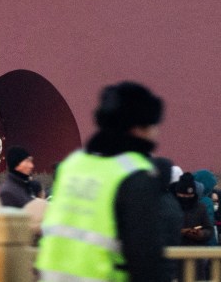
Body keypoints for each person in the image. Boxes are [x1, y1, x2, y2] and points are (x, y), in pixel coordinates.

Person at [36, 81, 168, 282]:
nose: (156, 131)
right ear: (138, 128)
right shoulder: (135, 175)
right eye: (153, 124)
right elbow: (145, 257)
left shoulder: (73, 164)